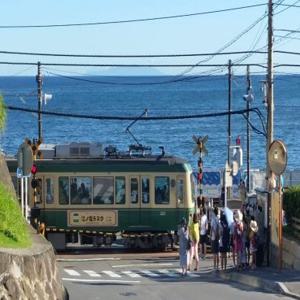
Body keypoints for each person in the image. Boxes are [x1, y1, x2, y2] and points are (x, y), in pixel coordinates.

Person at [210, 206, 220, 271]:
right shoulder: (218, 219)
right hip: (218, 237)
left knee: (214, 253)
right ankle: (218, 266)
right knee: (218, 252)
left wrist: (211, 234)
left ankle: (214, 266)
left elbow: (212, 228)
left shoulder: (213, 219)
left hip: (214, 237)